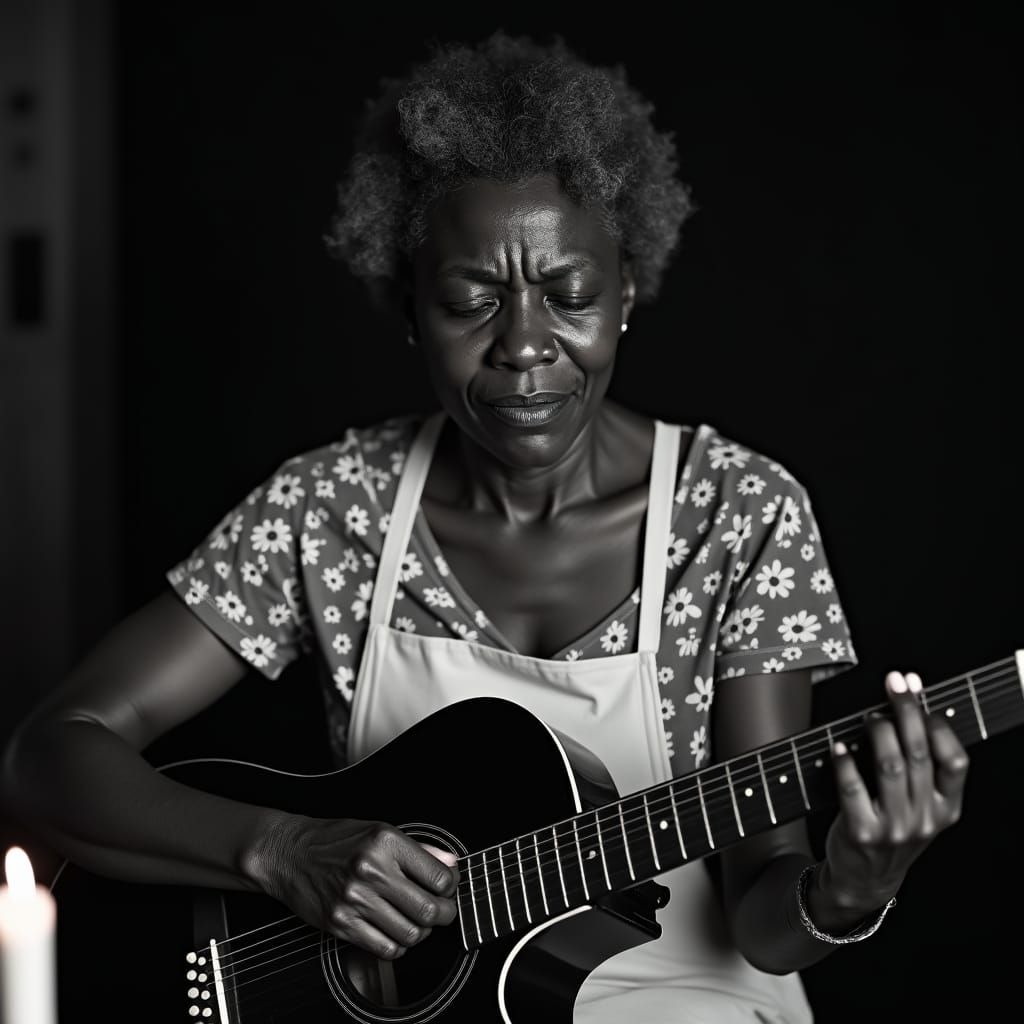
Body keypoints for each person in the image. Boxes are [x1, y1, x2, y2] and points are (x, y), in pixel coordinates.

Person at [2, 31, 968, 1024]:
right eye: (470, 303)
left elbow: (764, 915)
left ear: (626, 293)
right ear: (409, 309)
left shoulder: (741, 514)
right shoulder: (330, 507)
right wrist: (279, 848)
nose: (523, 346)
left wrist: (850, 887)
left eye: (570, 296)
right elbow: (49, 757)